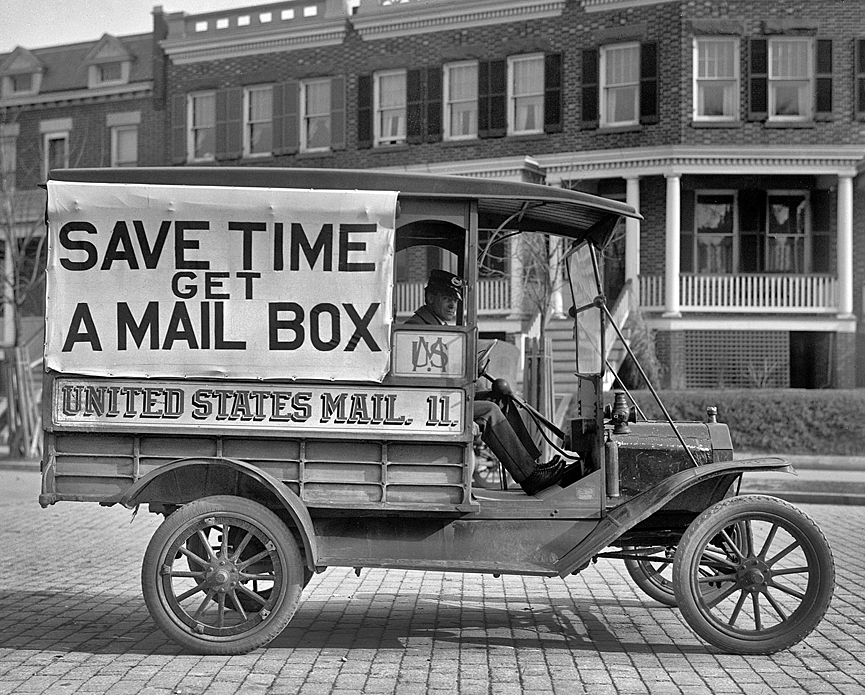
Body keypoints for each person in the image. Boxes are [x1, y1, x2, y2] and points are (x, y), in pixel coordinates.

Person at [405, 270, 565, 495]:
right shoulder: (417, 328)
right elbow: (429, 375)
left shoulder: (436, 325)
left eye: (454, 300)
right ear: (430, 298)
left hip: (445, 398)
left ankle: (530, 465)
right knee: (489, 410)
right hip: (429, 405)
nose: (452, 305)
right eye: (446, 298)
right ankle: (529, 477)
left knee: (498, 399)